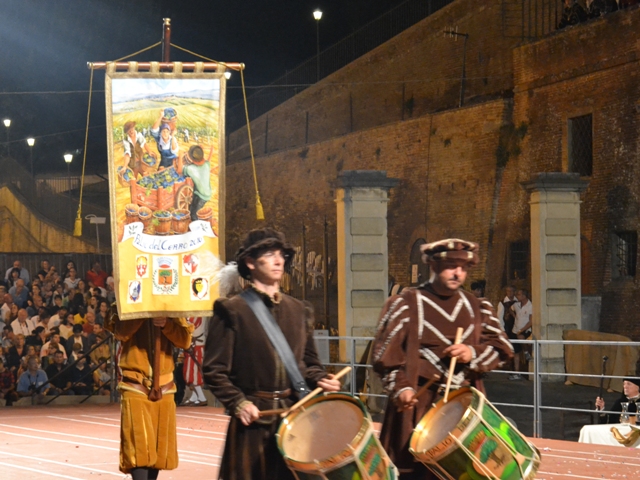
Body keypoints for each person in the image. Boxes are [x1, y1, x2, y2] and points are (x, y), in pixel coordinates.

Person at [203, 228, 341, 480]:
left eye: (281, 255)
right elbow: (214, 371)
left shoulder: (299, 310)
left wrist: (321, 378)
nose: (278, 261)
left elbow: (309, 364)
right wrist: (238, 402)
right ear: (250, 262)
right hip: (252, 424)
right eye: (269, 255)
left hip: (294, 420)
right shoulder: (232, 310)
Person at [371, 238, 514, 479]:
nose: (458, 273)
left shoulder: (476, 307)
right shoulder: (407, 304)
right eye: (451, 266)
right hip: (416, 408)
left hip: (462, 409)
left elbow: (502, 348)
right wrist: (402, 388)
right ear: (434, 267)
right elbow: (385, 358)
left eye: (463, 268)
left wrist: (472, 353)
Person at [105, 309, 192, 480]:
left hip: (165, 386)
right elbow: (120, 332)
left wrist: (167, 324)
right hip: (135, 384)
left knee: (159, 451)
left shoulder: (171, 305)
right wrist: (142, 314)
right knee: (138, 450)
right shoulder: (124, 302)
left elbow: (185, 341)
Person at [176, 145, 212, 221]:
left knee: (195, 214)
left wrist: (180, 156)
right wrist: (209, 151)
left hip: (201, 195)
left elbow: (179, 171)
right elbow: (208, 160)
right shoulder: (207, 164)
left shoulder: (190, 169)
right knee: (192, 207)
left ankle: (195, 222)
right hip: (206, 192)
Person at [181, 316, 208, 406]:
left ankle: (202, 397)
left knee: (193, 372)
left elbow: (190, 325)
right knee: (192, 370)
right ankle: (195, 397)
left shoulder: (197, 314)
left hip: (196, 346)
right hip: (194, 344)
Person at [509, 289, 533, 380]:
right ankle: (517, 373)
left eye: (518, 294)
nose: (517, 296)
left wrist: (522, 330)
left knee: (520, 337)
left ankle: (526, 352)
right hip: (515, 330)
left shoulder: (530, 306)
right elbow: (510, 309)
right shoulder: (516, 305)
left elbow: (531, 321)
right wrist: (514, 316)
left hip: (525, 329)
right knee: (516, 352)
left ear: (524, 296)